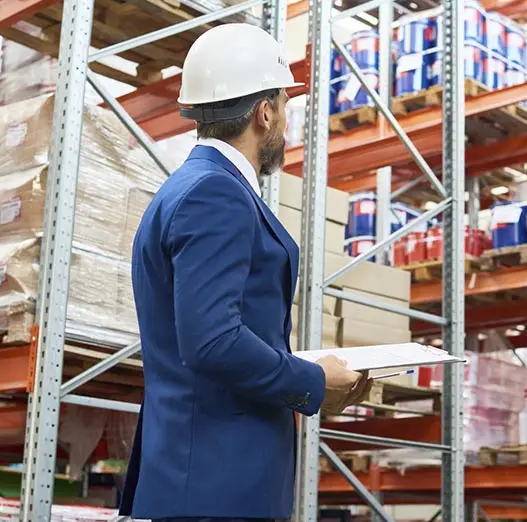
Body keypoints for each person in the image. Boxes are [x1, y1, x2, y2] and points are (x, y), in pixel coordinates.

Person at [119, 23, 373, 522]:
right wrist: (313, 380)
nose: (284, 121)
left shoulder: (187, 189)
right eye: (283, 105)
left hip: (202, 479)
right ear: (264, 113)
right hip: (216, 486)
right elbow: (213, 340)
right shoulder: (215, 195)